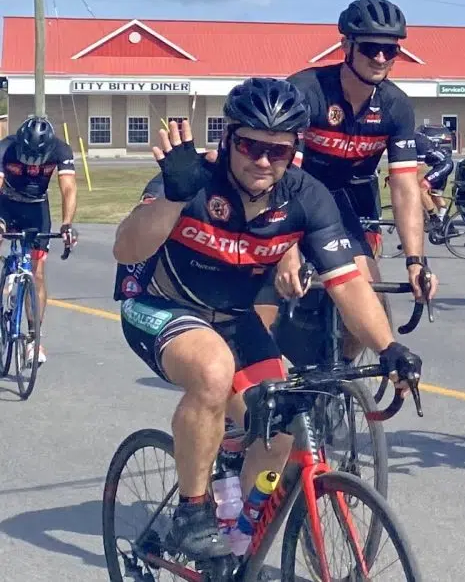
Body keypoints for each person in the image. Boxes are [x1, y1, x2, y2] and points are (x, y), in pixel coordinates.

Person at [111, 78, 420, 561]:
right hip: (160, 307)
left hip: (233, 317)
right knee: (213, 371)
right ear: (229, 137)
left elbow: (348, 284)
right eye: (250, 146)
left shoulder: (305, 197)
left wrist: (388, 347)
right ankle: (192, 513)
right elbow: (126, 248)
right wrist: (172, 197)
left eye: (277, 152)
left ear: (294, 150)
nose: (262, 161)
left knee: (280, 429)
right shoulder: (192, 179)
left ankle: (232, 535)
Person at [259, 0, 438, 364]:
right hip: (280, 196)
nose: (380, 58)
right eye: (371, 48)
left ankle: (334, 383)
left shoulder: (395, 106)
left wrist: (416, 260)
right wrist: (286, 252)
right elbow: (278, 177)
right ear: (346, 46)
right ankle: (250, 385)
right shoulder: (306, 92)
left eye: (390, 50)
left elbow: (405, 188)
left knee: (368, 302)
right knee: (263, 303)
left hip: (338, 203)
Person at [0, 116, 78, 364]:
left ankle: (34, 339)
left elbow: (68, 188)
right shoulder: (6, 147)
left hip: (36, 210)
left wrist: (67, 224)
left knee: (38, 273)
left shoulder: (60, 149)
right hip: (6, 205)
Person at [414, 124, 454, 229]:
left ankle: (433, 218)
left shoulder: (418, 141)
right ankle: (448, 227)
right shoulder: (412, 139)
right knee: (435, 195)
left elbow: (419, 167)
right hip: (440, 165)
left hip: (444, 164)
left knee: (422, 187)